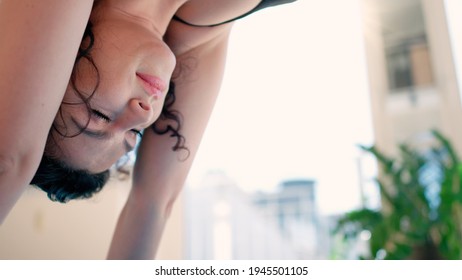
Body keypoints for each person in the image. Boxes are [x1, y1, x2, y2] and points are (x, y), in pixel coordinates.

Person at [0, 0, 297, 259]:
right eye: (133, 136)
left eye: (100, 116)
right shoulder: (201, 32)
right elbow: (154, 203)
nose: (141, 115)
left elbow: (11, 156)